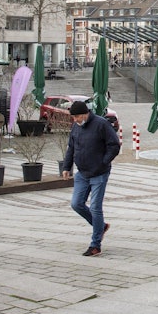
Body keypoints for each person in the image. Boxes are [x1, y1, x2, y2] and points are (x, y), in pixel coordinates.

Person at [61, 100, 121, 257]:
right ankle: (100, 226)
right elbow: (71, 148)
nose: (75, 120)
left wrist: (104, 161)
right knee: (76, 204)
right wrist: (67, 167)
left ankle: (95, 245)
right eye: (73, 118)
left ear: (85, 114)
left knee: (95, 207)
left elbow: (114, 145)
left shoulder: (101, 124)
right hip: (82, 173)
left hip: (99, 173)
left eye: (77, 117)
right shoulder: (76, 127)